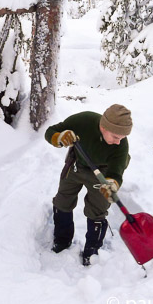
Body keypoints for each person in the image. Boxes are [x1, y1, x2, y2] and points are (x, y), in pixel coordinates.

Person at [45, 104, 132, 266]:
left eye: (122, 138)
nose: (119, 142)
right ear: (104, 127)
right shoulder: (83, 120)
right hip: (77, 165)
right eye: (115, 137)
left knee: (97, 211)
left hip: (103, 174)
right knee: (63, 201)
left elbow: (116, 172)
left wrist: (112, 184)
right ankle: (62, 241)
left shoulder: (121, 146)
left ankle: (92, 250)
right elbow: (50, 132)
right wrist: (59, 137)